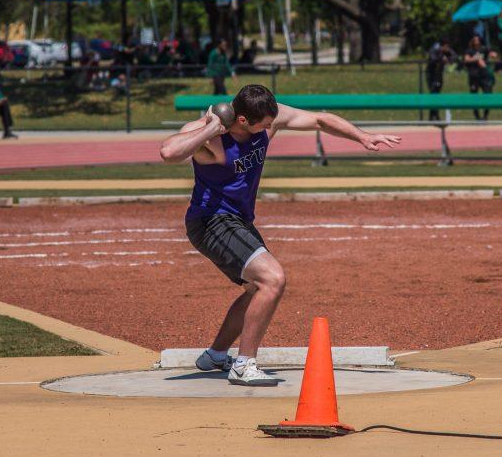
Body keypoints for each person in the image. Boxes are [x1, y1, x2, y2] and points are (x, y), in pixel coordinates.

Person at [159, 85, 401, 386]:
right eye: (265, 124)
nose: (271, 128)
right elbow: (168, 152)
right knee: (272, 279)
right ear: (243, 120)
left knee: (256, 289)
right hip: (211, 221)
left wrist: (362, 136)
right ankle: (244, 364)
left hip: (238, 221)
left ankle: (216, 354)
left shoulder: (266, 118)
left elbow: (320, 120)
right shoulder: (211, 137)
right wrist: (210, 129)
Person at [463, 35, 496, 120]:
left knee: (487, 95)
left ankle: (485, 116)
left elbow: (491, 54)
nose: (476, 40)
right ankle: (477, 117)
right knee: (474, 97)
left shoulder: (484, 49)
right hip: (474, 76)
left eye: (478, 39)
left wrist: (493, 54)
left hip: (484, 76)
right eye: (475, 39)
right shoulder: (469, 50)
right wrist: (477, 59)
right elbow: (466, 59)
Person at [426, 39, 456, 121]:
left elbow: (454, 56)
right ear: (443, 46)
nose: (448, 49)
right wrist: (441, 58)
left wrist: (448, 59)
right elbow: (432, 59)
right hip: (432, 76)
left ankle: (432, 117)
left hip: (439, 75)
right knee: (433, 94)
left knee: (436, 95)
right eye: (447, 47)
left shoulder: (446, 50)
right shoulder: (435, 49)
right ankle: (435, 116)